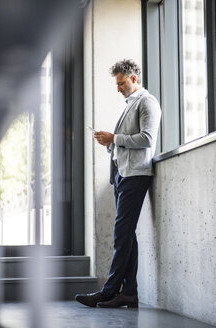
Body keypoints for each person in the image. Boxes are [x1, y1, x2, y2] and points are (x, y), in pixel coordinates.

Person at [75, 59, 161, 308]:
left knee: (121, 235)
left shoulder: (147, 102)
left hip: (136, 175)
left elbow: (147, 139)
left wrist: (115, 138)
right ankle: (130, 293)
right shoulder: (130, 104)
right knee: (127, 236)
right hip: (122, 175)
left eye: (121, 83)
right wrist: (110, 143)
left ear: (134, 79)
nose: (118, 88)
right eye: (117, 83)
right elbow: (125, 142)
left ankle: (109, 290)